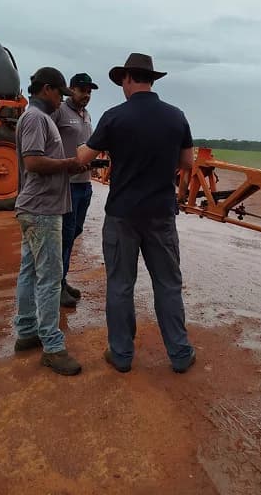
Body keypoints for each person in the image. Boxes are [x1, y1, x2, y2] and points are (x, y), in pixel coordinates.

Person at [75, 53, 195, 375]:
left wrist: (76, 151)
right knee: (168, 285)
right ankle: (180, 354)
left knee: (120, 285)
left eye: (122, 82)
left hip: (122, 216)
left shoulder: (115, 117)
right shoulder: (176, 116)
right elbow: (187, 163)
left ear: (128, 79)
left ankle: (122, 354)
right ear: (152, 79)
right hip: (161, 214)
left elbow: (84, 156)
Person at [12, 67, 87, 376]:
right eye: (59, 93)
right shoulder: (35, 118)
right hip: (42, 209)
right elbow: (33, 161)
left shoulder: (38, 117)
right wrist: (70, 164)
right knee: (49, 277)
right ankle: (52, 346)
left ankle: (27, 330)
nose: (61, 100)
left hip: (37, 207)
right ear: (46, 89)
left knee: (30, 271)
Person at [53, 72, 98, 308]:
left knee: (74, 232)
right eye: (82, 91)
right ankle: (57, 285)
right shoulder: (59, 111)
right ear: (71, 90)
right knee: (65, 235)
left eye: (89, 92)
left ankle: (62, 279)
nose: (86, 96)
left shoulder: (87, 114)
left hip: (85, 184)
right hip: (67, 185)